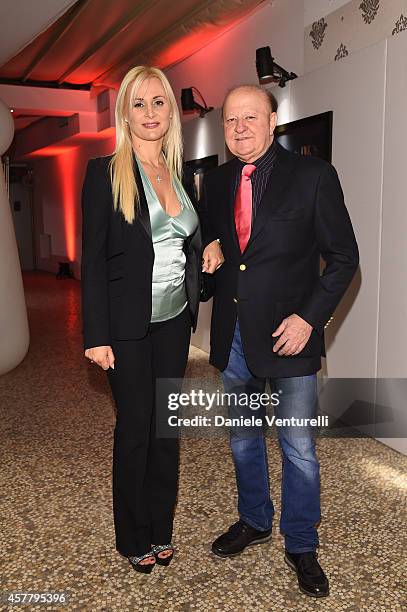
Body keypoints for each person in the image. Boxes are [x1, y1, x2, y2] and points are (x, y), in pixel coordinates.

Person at [200, 84, 359, 597]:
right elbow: (218, 236)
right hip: (236, 338)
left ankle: (300, 542)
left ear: (273, 122)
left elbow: (343, 259)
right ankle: (254, 519)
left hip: (292, 338)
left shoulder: (313, 176)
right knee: (243, 439)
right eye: (231, 120)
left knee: (298, 448)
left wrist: (310, 320)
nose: (240, 127)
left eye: (251, 117)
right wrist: (214, 244)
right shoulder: (219, 180)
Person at [81, 66, 202, 573]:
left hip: (174, 322)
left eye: (159, 103)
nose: (150, 114)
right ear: (124, 112)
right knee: (135, 430)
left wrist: (208, 246)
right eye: (139, 103)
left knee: (166, 431)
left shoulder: (179, 170)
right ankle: (132, 536)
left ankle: (161, 527)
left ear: (170, 112)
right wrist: (96, 335)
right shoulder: (105, 172)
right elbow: (92, 259)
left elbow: (187, 235)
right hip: (127, 328)